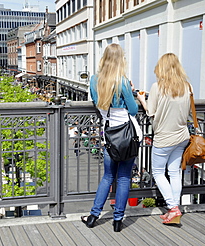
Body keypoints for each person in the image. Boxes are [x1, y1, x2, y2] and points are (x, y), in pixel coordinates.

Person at [81, 43, 139, 232]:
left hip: (109, 134)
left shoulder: (94, 80)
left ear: (104, 59)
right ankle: (117, 221)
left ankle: (93, 216)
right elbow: (133, 110)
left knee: (107, 177)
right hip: (127, 135)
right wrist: (131, 91)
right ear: (121, 60)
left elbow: (98, 104)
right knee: (123, 178)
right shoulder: (122, 81)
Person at [137, 53, 191, 225]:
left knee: (159, 172)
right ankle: (173, 210)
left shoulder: (157, 87)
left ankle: (173, 207)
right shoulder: (187, 86)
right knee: (175, 172)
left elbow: (151, 112)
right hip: (182, 136)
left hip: (164, 138)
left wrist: (141, 99)